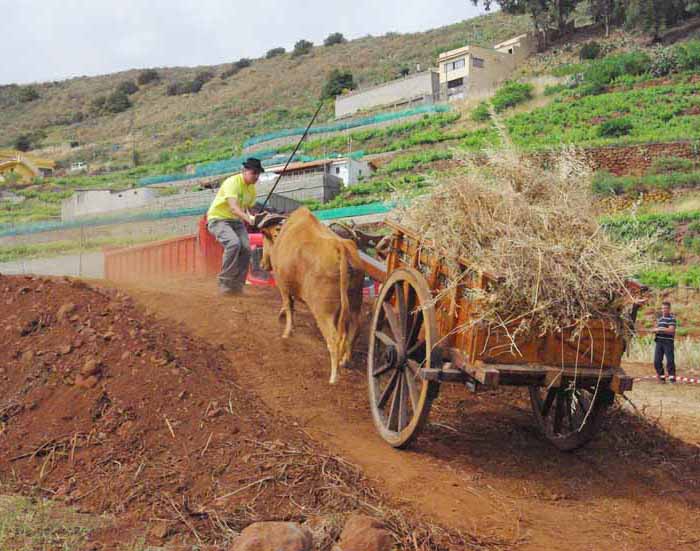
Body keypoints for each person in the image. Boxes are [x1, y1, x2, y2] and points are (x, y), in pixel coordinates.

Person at [206, 158, 263, 295]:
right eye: (253, 172)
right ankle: (225, 282)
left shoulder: (252, 189)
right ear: (244, 171)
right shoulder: (232, 183)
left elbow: (250, 209)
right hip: (218, 219)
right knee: (233, 244)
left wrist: (258, 218)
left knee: (246, 249)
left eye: (258, 173)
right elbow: (234, 208)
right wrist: (250, 220)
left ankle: (237, 286)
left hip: (236, 221)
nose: (256, 176)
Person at [653, 301, 677, 383]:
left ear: (669, 309)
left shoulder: (672, 319)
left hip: (668, 342)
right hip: (659, 341)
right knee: (657, 361)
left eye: (665, 308)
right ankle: (661, 378)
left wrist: (660, 329)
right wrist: (655, 330)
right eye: (662, 308)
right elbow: (655, 329)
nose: (664, 310)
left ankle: (672, 378)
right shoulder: (659, 319)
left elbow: (671, 330)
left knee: (670, 360)